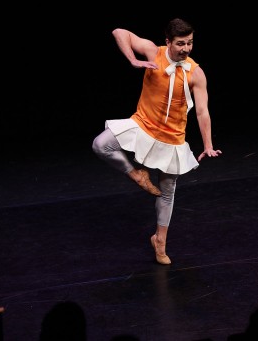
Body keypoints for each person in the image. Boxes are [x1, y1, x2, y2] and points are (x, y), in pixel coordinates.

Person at [91, 18, 221, 264]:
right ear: (168, 42)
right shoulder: (154, 52)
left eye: (190, 43)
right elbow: (120, 31)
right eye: (181, 43)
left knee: (167, 191)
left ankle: (160, 240)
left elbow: (203, 111)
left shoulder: (196, 72)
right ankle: (137, 174)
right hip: (143, 124)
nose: (186, 48)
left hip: (171, 137)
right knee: (101, 144)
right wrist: (132, 59)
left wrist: (207, 145)